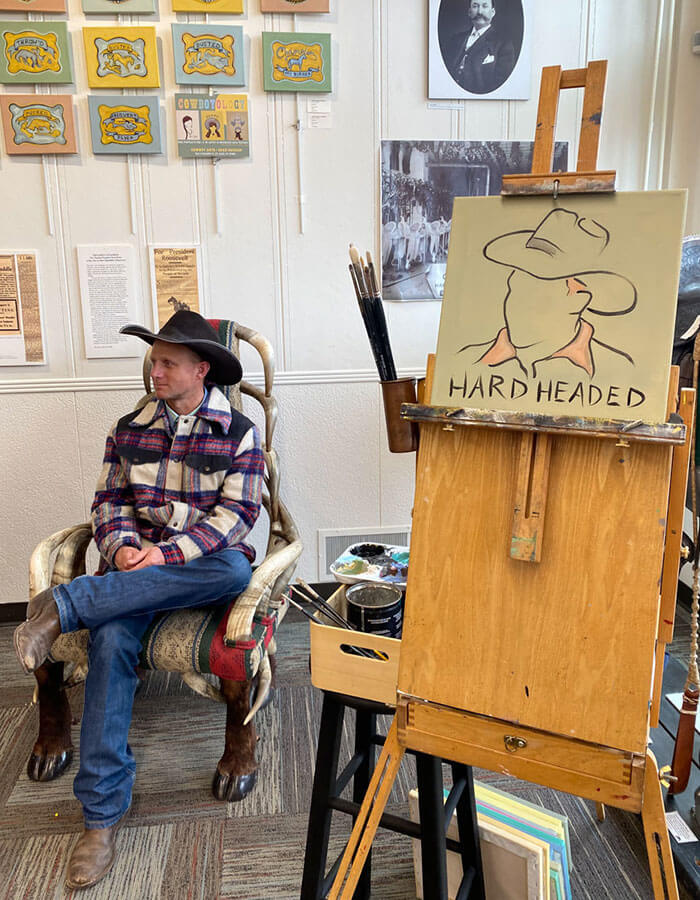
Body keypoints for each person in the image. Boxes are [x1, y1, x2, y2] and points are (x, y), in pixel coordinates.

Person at [14, 310, 264, 890]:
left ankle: (67, 604)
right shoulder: (128, 427)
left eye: (168, 362)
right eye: (154, 360)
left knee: (231, 568)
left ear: (201, 370)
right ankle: (100, 820)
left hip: (198, 568)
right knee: (111, 638)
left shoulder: (238, 432)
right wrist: (125, 546)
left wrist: (167, 554)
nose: (155, 370)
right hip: (131, 576)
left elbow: (237, 518)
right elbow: (107, 501)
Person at [445, 0, 516, 94]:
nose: (480, 12)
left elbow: (501, 83)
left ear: (493, 12)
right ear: (469, 12)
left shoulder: (503, 44)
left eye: (485, 6)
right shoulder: (455, 40)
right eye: (475, 6)